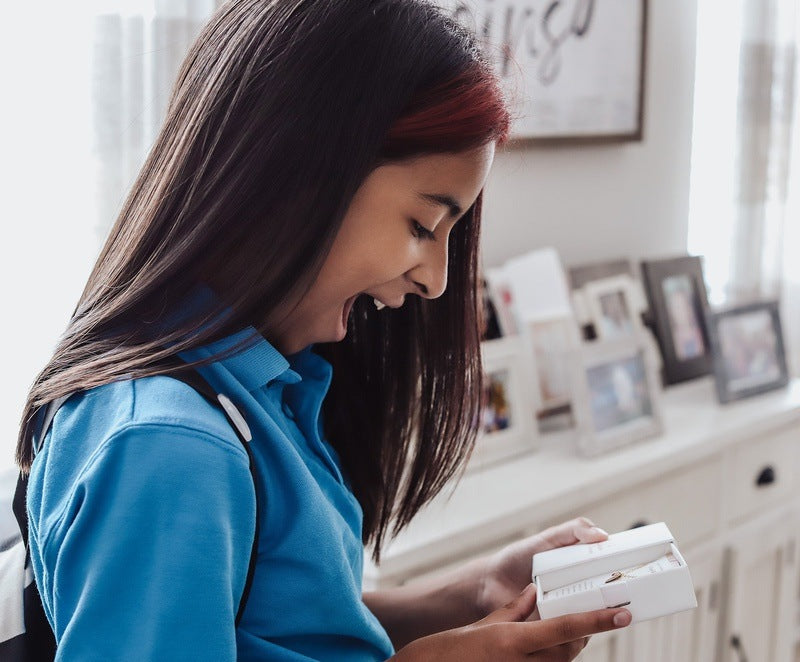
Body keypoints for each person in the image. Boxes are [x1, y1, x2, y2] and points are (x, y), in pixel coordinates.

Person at [16, 1, 632, 659]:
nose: (437, 281)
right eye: (423, 227)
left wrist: (476, 595)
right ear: (293, 176)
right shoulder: (170, 446)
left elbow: (287, 626)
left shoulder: (259, 388)